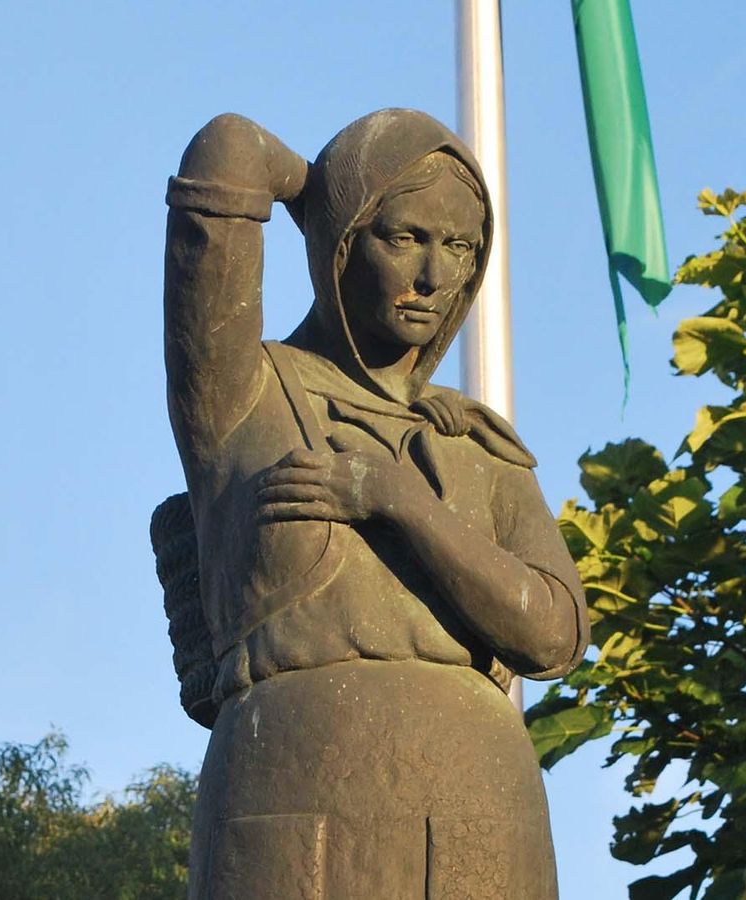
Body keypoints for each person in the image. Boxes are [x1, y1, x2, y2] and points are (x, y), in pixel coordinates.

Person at [162, 108, 588, 899]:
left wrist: (397, 501)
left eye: (458, 247)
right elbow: (225, 152)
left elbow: (557, 634)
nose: (433, 276)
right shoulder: (246, 399)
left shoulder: (476, 448)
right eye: (404, 237)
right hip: (289, 788)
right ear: (343, 241)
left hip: (479, 805)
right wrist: (312, 192)